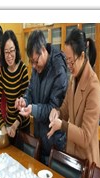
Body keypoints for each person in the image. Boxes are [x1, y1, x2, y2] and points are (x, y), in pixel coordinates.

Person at [47, 28, 100, 167]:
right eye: (67, 61)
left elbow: (85, 137)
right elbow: (65, 108)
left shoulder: (93, 86)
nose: (68, 66)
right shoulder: (73, 78)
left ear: (82, 56)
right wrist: (57, 112)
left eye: (71, 61)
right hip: (72, 156)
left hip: (86, 161)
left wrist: (62, 125)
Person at [15, 30, 68, 164]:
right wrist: (25, 100)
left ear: (43, 50)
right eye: (31, 62)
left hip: (54, 143)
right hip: (39, 137)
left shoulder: (58, 70)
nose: (33, 66)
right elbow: (31, 89)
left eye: (35, 61)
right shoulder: (37, 66)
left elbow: (54, 109)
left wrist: (33, 109)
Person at [0, 29, 30, 140]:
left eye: (11, 51)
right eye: (6, 52)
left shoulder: (23, 70)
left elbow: (26, 102)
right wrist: (2, 126)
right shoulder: (2, 71)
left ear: (16, 50)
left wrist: (15, 126)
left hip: (22, 126)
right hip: (8, 125)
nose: (9, 55)